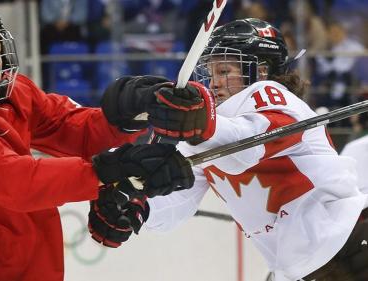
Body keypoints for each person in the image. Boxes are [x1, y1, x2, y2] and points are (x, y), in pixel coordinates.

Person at [0, 2, 211, 281]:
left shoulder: (15, 91)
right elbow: (12, 181)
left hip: (22, 260)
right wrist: (107, 172)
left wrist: (137, 109)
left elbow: (74, 129)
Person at [88, 18, 368, 281]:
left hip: (353, 243)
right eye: (211, 73)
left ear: (261, 70)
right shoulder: (209, 132)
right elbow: (175, 205)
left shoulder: (274, 96)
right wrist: (138, 206)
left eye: (224, 71)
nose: (215, 83)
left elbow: (244, 147)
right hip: (305, 269)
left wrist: (198, 122)